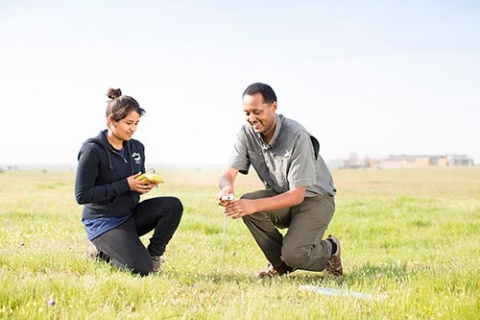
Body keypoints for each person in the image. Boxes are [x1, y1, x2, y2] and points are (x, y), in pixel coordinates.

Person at [216, 82, 342, 278]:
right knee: (246, 202)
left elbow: (297, 195)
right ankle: (281, 266)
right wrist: (226, 189)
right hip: (283, 196)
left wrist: (253, 205)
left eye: (257, 112)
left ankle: (331, 249)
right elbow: (228, 174)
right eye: (247, 113)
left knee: (295, 253)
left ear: (273, 107)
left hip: (315, 199)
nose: (252, 119)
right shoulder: (246, 133)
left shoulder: (297, 136)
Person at [75, 88, 183, 276]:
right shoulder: (93, 150)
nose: (133, 128)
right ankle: (99, 249)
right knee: (142, 270)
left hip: (130, 215)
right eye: (128, 123)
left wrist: (142, 186)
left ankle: (154, 256)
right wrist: (126, 185)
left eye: (136, 123)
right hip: (104, 222)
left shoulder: (137, 147)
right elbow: (82, 195)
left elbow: (134, 179)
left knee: (173, 205)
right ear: (111, 121)